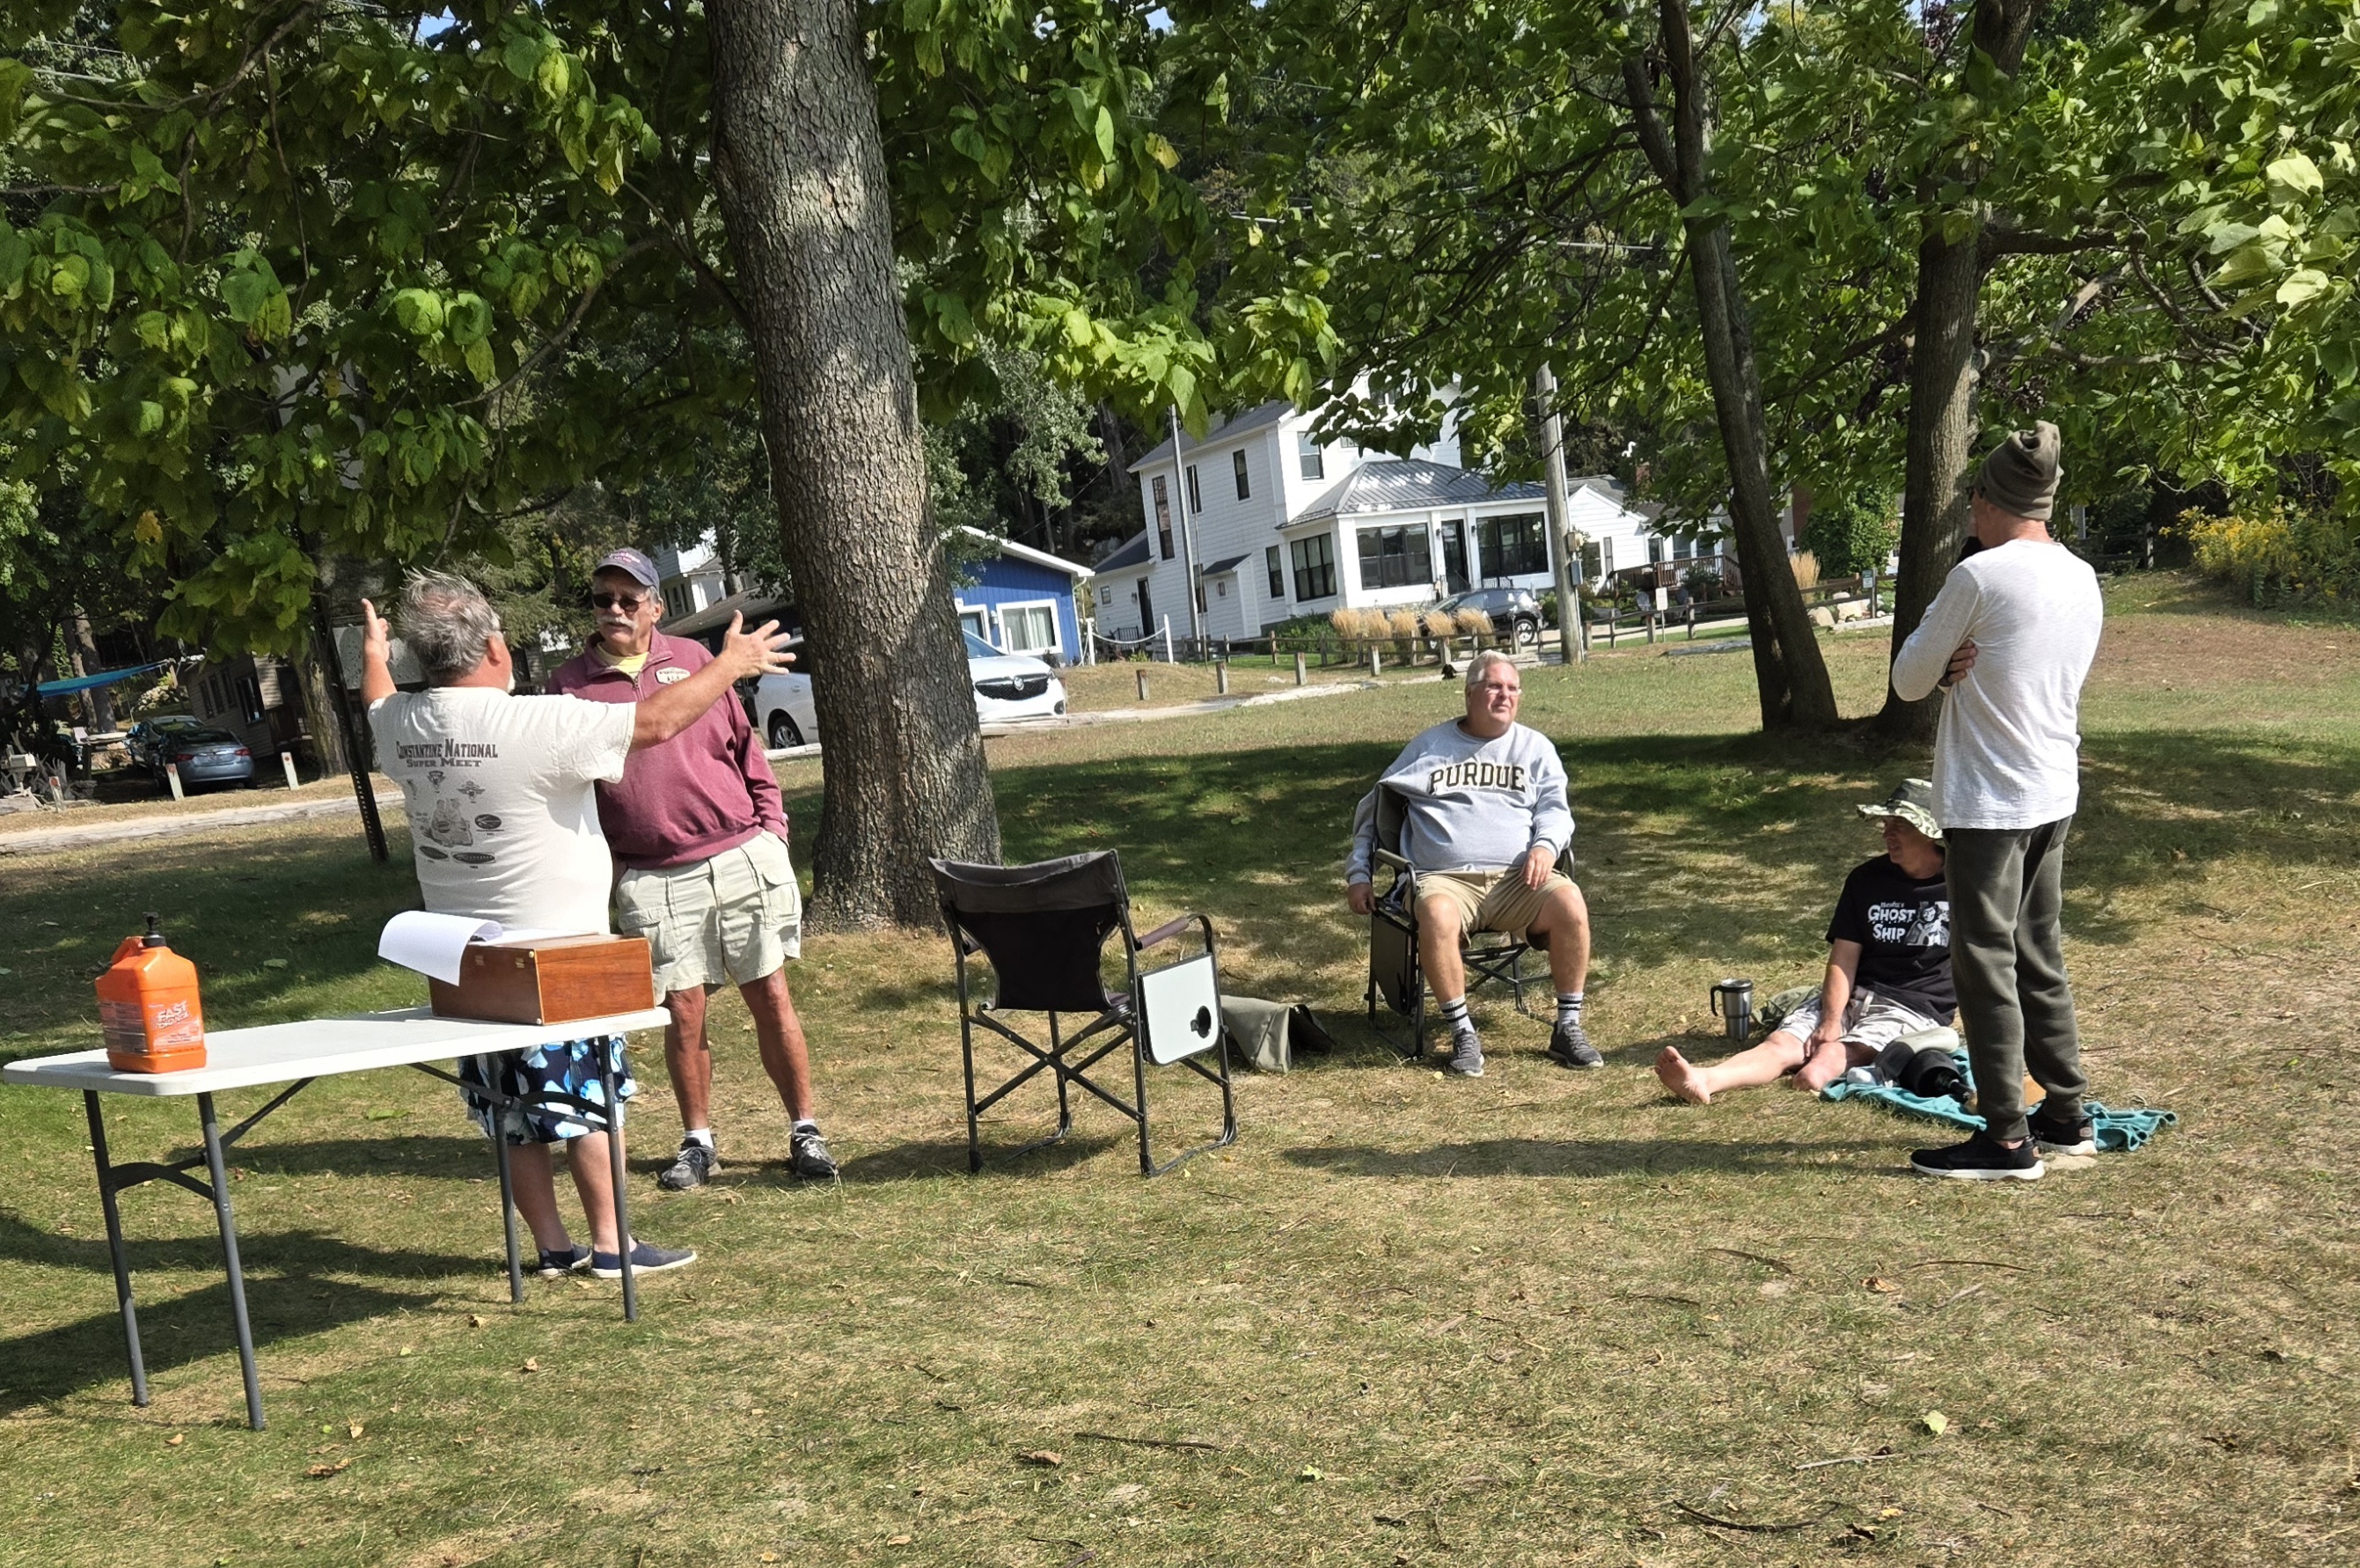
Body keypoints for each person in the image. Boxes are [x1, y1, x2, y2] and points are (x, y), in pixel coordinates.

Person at [361, 570, 794, 1276]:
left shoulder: (402, 724)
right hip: (559, 958)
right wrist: (731, 663)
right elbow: (653, 723)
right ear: (494, 649)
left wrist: (375, 653)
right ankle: (613, 1246)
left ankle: (552, 1248)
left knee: (509, 1111)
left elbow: (376, 696)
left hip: (463, 960)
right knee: (587, 1101)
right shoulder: (537, 722)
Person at [549, 548, 836, 1191]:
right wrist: (613, 873)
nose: (615, 610)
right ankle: (698, 1141)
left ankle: (805, 1130)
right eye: (602, 599)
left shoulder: (697, 660)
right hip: (652, 874)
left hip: (740, 853)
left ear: (656, 607)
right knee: (683, 1012)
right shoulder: (567, 686)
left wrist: (772, 831)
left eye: (629, 599)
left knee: (771, 995)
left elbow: (746, 750)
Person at [1891, 420, 2104, 1181]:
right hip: (2053, 789)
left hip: (1989, 799)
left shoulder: (1978, 577)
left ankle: (2007, 1138)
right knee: (2039, 951)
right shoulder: (2081, 575)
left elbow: (1908, 681)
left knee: (1983, 963)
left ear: (1988, 499)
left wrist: (1947, 654)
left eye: (1973, 500)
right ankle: (2068, 1116)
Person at [1345, 649, 1595, 1077]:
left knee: (1570, 901)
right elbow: (1375, 806)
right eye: (1494, 686)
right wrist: (1359, 873)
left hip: (1520, 881)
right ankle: (1463, 1032)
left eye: (1513, 688)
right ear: (1469, 693)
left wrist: (1546, 846)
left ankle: (1567, 1027)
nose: (1505, 695)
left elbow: (1556, 810)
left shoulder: (1535, 748)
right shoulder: (1430, 747)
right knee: (1437, 914)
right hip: (1444, 882)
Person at [1655, 780, 1954, 1103]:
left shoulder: (1961, 883)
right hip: (1855, 994)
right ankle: (1705, 1079)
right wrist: (1830, 1019)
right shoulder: (1866, 879)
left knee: (1824, 1063)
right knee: (1780, 1044)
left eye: (1899, 826)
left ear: (1928, 832)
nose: (1887, 834)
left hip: (1914, 1007)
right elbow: (1843, 957)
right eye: (1885, 824)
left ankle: (1820, 1071)